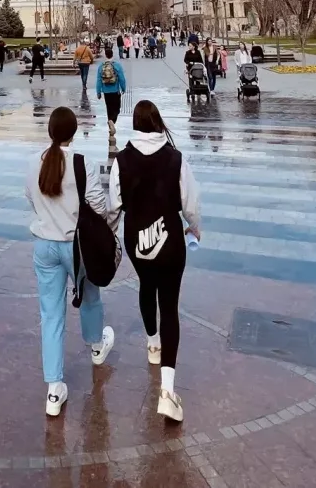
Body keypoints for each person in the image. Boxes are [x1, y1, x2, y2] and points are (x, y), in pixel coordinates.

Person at [110, 100, 201, 423]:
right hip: (171, 239)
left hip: (137, 240)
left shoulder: (122, 160)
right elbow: (190, 202)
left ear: (135, 124)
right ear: (158, 122)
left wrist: (109, 230)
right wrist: (195, 226)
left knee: (146, 286)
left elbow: (114, 204)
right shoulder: (175, 158)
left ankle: (152, 343)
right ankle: (168, 389)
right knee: (170, 306)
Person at [27, 107, 116, 416]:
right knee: (90, 296)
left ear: (50, 130)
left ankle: (54, 388)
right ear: (74, 132)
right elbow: (99, 206)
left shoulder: (35, 162)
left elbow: (31, 198)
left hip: (44, 245)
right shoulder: (81, 163)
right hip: (76, 246)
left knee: (51, 314)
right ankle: (96, 346)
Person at [95, 48, 127, 143]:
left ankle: (110, 124)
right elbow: (122, 78)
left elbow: (98, 80)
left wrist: (98, 92)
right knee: (117, 109)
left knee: (109, 109)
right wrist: (123, 88)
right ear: (112, 55)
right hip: (115, 91)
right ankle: (112, 121)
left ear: (105, 55)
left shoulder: (101, 66)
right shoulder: (117, 65)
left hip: (106, 92)